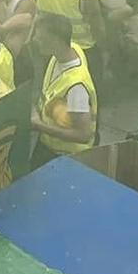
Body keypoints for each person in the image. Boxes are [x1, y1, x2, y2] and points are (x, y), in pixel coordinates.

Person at [30, 13, 97, 163]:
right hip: (47, 145)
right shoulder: (70, 49)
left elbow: (83, 135)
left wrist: (39, 125)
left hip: (65, 156)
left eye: (40, 38)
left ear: (56, 40)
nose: (35, 40)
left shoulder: (76, 88)